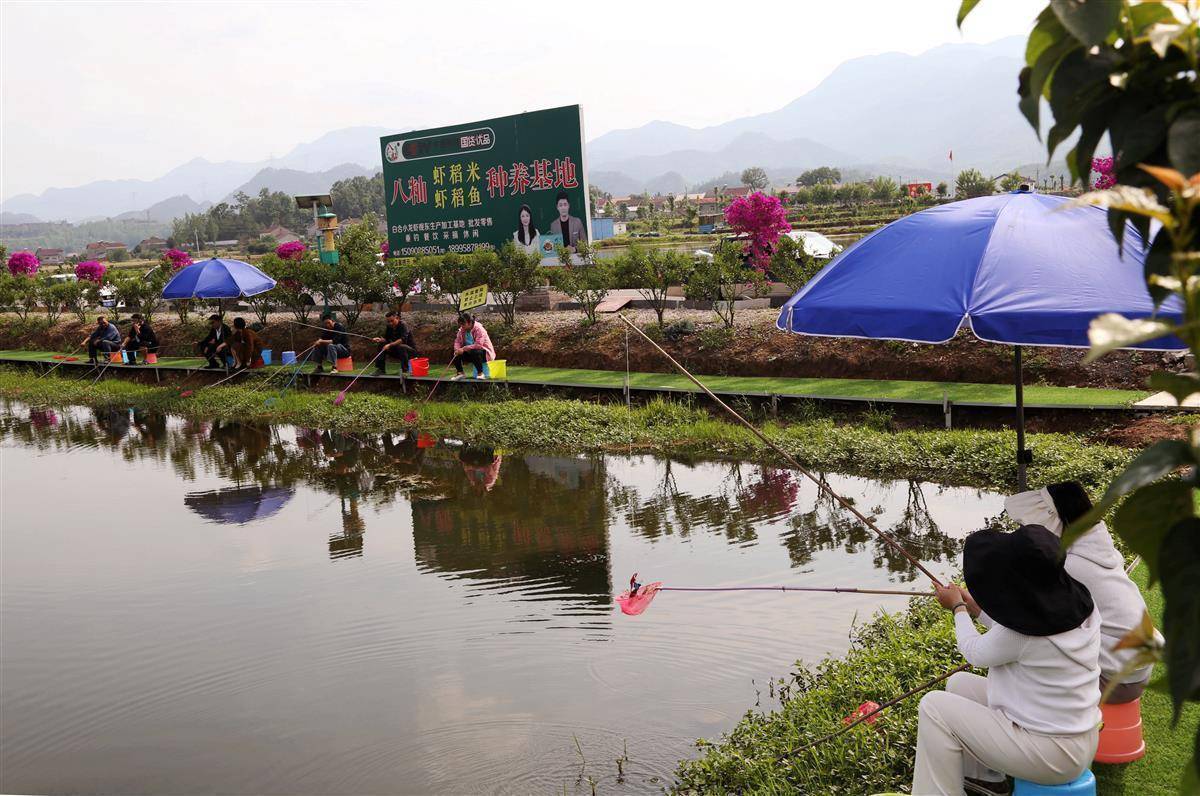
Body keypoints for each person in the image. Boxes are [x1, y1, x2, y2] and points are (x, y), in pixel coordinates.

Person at [913, 524, 1101, 796]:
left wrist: (958, 608)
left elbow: (974, 651)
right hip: (1076, 738)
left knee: (933, 707)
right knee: (960, 685)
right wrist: (978, 611)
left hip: (1051, 755)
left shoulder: (1023, 635)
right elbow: (1021, 633)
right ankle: (986, 780)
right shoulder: (1078, 607)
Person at [1005, 481, 1162, 704]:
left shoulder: (1071, 566)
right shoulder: (1097, 549)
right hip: (1137, 668)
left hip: (1116, 681)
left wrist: (973, 608)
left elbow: (1035, 619)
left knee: (1026, 659)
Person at [451, 312, 494, 380]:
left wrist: (464, 349)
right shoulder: (462, 330)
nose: (462, 326)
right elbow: (457, 341)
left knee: (475, 351)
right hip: (470, 353)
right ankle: (460, 373)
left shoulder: (479, 329)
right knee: (455, 352)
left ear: (470, 322)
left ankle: (480, 373)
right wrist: (457, 349)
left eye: (463, 324)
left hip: (484, 354)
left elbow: (478, 345)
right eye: (461, 324)